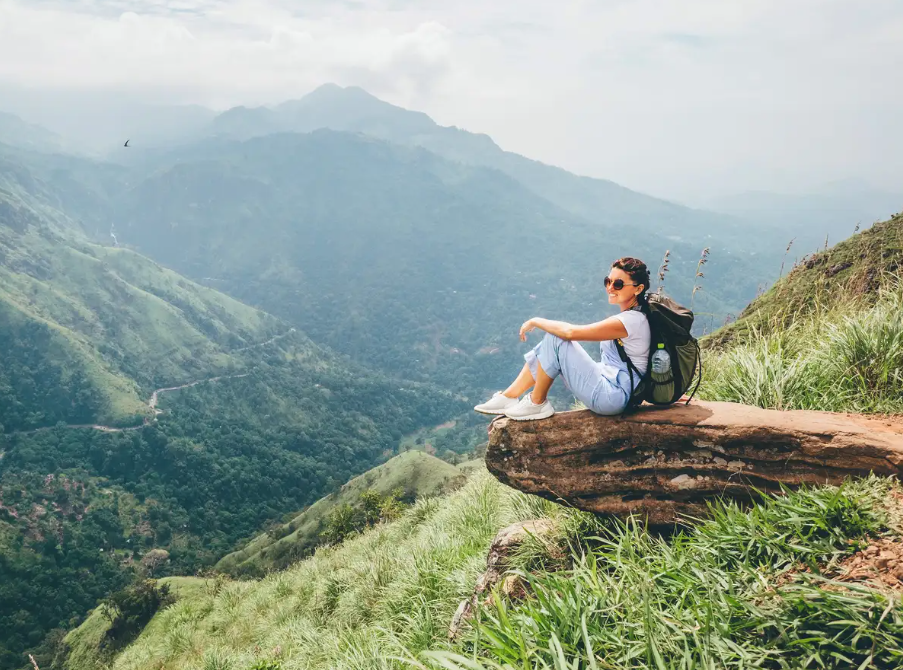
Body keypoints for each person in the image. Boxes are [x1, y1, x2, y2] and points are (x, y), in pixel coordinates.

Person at [474, 257, 651, 421]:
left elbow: (569, 332)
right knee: (549, 346)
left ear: (638, 288)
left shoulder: (630, 321)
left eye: (618, 284)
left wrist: (536, 320)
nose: (610, 288)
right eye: (608, 281)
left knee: (556, 338)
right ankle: (509, 397)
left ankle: (537, 403)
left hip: (612, 396)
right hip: (613, 386)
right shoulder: (637, 315)